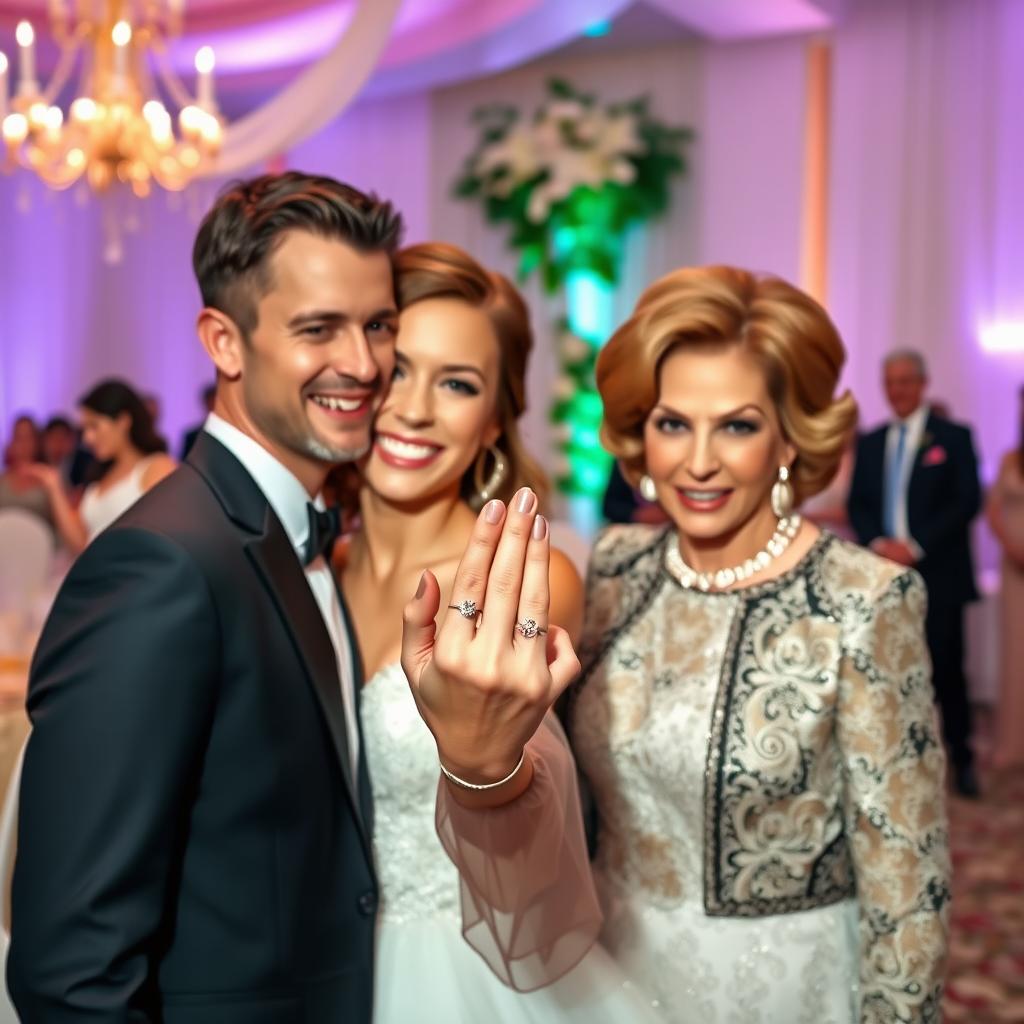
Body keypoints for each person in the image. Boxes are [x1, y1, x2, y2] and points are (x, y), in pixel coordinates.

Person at [10, 172, 585, 1023]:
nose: (365, 366)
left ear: (499, 416)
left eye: (377, 326)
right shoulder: (164, 566)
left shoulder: (304, 542)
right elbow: (75, 962)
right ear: (225, 342)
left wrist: (485, 765)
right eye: (319, 329)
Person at [549, 267, 947, 1022]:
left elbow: (906, 878)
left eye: (737, 425)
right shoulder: (612, 570)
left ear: (790, 436)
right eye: (672, 424)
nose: (698, 462)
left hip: (781, 991)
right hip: (604, 976)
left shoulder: (862, 600)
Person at [339, 242, 656, 1022]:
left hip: (465, 975)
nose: (413, 408)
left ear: (493, 422)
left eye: (457, 384)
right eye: (397, 366)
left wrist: (486, 766)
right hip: (319, 964)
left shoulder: (522, 586)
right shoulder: (317, 568)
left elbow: (533, 841)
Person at [846, 350, 982, 797]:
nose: (897, 390)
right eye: (890, 382)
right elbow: (858, 504)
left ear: (922, 384)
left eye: (905, 381)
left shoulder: (953, 437)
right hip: (884, 576)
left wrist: (916, 545)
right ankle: (896, 762)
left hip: (939, 574)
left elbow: (966, 501)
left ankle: (961, 760)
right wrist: (882, 545)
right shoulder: (870, 442)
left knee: (947, 671)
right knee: (888, 672)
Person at [21, 380, 176, 552]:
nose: (87, 438)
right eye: (84, 430)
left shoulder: (156, 466)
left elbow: (163, 542)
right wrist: (53, 485)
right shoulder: (100, 474)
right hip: (96, 574)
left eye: (94, 426)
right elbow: (79, 543)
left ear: (123, 422)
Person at [986, 383, 1024, 771]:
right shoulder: (1010, 460)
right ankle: (1012, 742)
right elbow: (993, 509)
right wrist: (1011, 547)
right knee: (1015, 652)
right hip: (1013, 568)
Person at [180, 383, 217, 458]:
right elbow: (184, 463)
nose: (213, 405)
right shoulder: (192, 437)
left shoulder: (233, 434)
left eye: (215, 402)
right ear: (205, 403)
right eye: (211, 402)